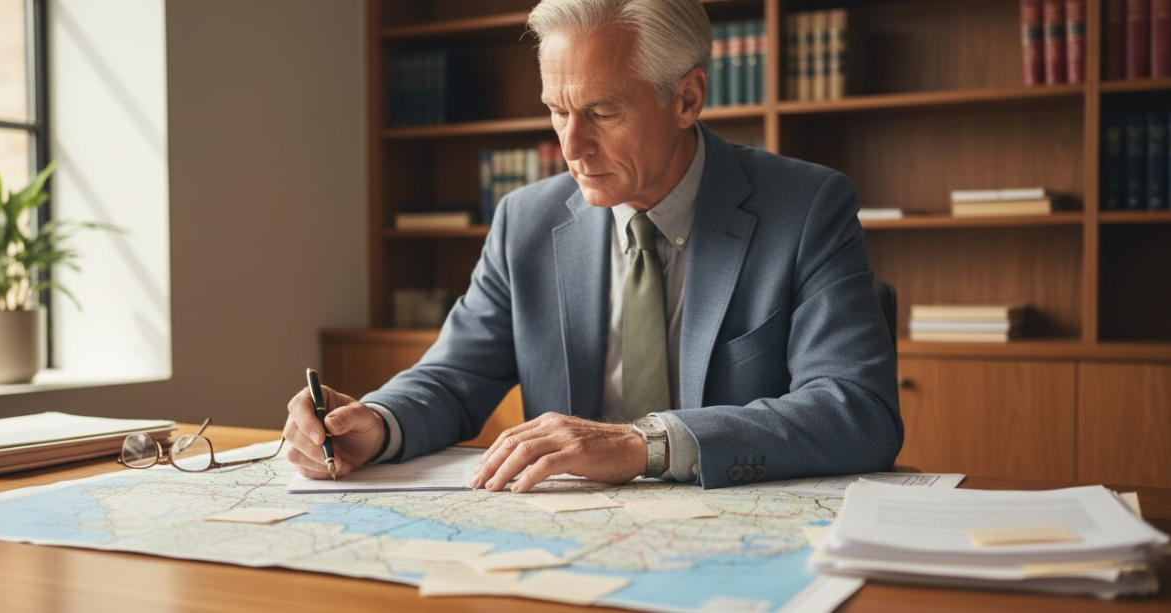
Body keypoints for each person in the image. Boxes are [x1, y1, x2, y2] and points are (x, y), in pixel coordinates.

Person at [283, 0, 901, 492]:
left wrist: (645, 444)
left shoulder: (807, 207)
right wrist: (378, 422)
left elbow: (856, 409)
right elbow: (451, 377)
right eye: (557, 111)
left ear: (687, 98)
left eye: (602, 112)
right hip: (573, 541)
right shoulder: (524, 219)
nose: (570, 147)